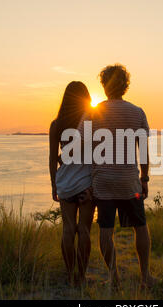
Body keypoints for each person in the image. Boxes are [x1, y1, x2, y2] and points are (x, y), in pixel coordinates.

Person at [78, 64, 157, 288]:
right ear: (125, 86)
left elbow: (81, 145)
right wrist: (144, 178)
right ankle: (145, 278)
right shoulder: (137, 112)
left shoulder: (94, 112)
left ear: (104, 85)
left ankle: (114, 278)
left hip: (103, 181)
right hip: (128, 180)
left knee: (106, 229)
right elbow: (143, 150)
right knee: (140, 226)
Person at [49, 81, 95, 286]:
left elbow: (52, 158)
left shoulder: (56, 124)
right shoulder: (92, 123)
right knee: (84, 230)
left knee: (68, 230)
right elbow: (97, 156)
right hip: (85, 183)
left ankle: (69, 276)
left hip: (66, 183)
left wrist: (54, 185)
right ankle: (82, 277)